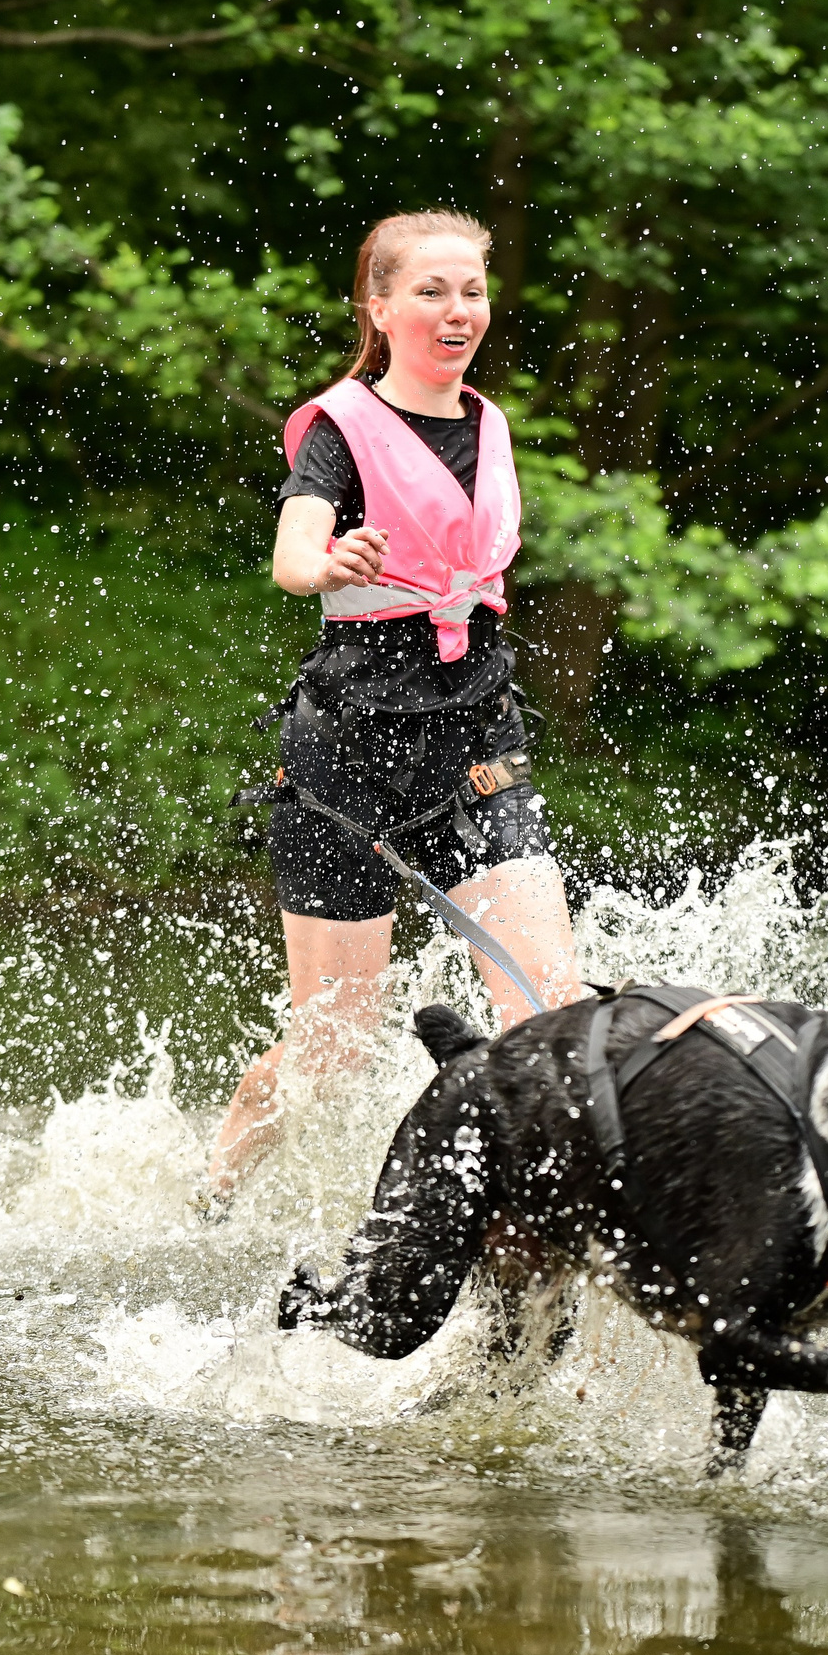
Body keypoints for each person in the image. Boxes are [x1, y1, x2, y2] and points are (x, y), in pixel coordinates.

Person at [202, 209, 587, 1215]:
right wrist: (327, 564)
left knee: (549, 1016)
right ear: (379, 306)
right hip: (345, 766)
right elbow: (293, 556)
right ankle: (208, 1194)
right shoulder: (340, 430)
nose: (457, 310)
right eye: (431, 291)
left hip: (476, 744)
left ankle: (521, 1233)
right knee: (332, 1050)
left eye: (472, 290)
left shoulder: (491, 425)